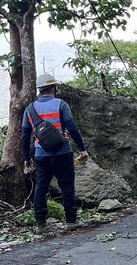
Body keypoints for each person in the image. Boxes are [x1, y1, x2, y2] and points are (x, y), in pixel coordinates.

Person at [21, 73, 89, 232]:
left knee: (41, 188)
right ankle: (71, 221)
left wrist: (26, 158)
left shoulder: (29, 109)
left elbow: (24, 135)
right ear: (53, 88)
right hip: (62, 153)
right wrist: (82, 149)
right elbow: (72, 128)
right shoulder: (61, 104)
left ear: (40, 89)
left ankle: (41, 224)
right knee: (66, 185)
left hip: (40, 155)